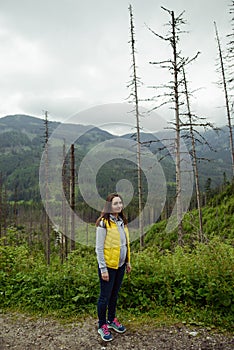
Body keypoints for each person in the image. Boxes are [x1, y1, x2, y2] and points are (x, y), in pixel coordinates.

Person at [95, 192, 131, 342]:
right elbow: (99, 248)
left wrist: (128, 261)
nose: (119, 205)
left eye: (120, 203)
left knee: (114, 295)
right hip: (108, 267)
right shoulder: (104, 223)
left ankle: (111, 320)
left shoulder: (121, 221)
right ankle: (102, 324)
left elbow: (125, 244)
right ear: (110, 206)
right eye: (115, 203)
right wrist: (103, 269)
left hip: (121, 265)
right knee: (105, 297)